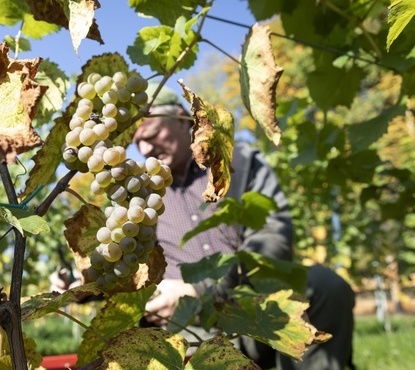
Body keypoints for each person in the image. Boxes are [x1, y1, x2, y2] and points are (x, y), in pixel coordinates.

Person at [51, 85, 356, 369]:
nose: (144, 148)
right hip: (186, 323)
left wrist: (198, 289)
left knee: (326, 285)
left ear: (184, 121)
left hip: (253, 302)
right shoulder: (142, 190)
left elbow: (273, 238)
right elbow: (128, 256)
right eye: (137, 142)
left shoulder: (237, 163)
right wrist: (84, 286)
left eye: (153, 133)